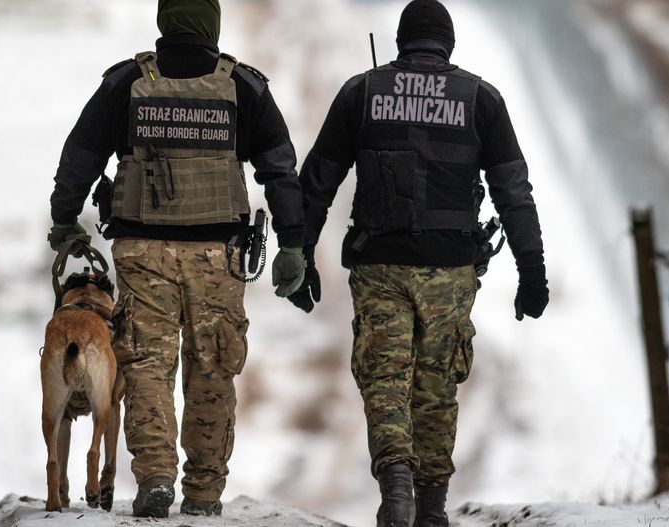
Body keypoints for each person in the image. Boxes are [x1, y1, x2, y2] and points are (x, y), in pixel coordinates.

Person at [287, 1, 549, 526]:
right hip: (449, 274)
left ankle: (397, 490)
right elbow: (513, 192)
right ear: (447, 45)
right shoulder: (481, 99)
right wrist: (532, 269)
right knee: (436, 389)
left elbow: (316, 182)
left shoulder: (362, 92)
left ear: (401, 42)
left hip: (380, 265)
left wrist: (300, 254)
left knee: (384, 379)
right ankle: (431, 510)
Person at [47, 0, 307, 518]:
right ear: (212, 24)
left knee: (146, 363)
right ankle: (205, 492)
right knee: (213, 365)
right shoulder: (244, 87)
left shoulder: (126, 83)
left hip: (143, 252)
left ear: (165, 22)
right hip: (218, 256)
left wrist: (64, 218)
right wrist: (294, 243)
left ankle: (156, 477)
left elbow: (81, 153)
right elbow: (279, 168)